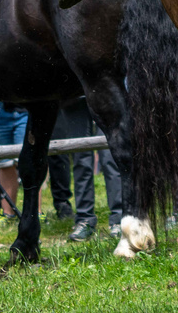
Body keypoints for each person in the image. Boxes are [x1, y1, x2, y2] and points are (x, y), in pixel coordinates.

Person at [44, 99, 122, 241]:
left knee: (109, 157)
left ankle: (119, 219)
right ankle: (84, 220)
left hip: (103, 91)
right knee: (81, 158)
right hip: (74, 95)